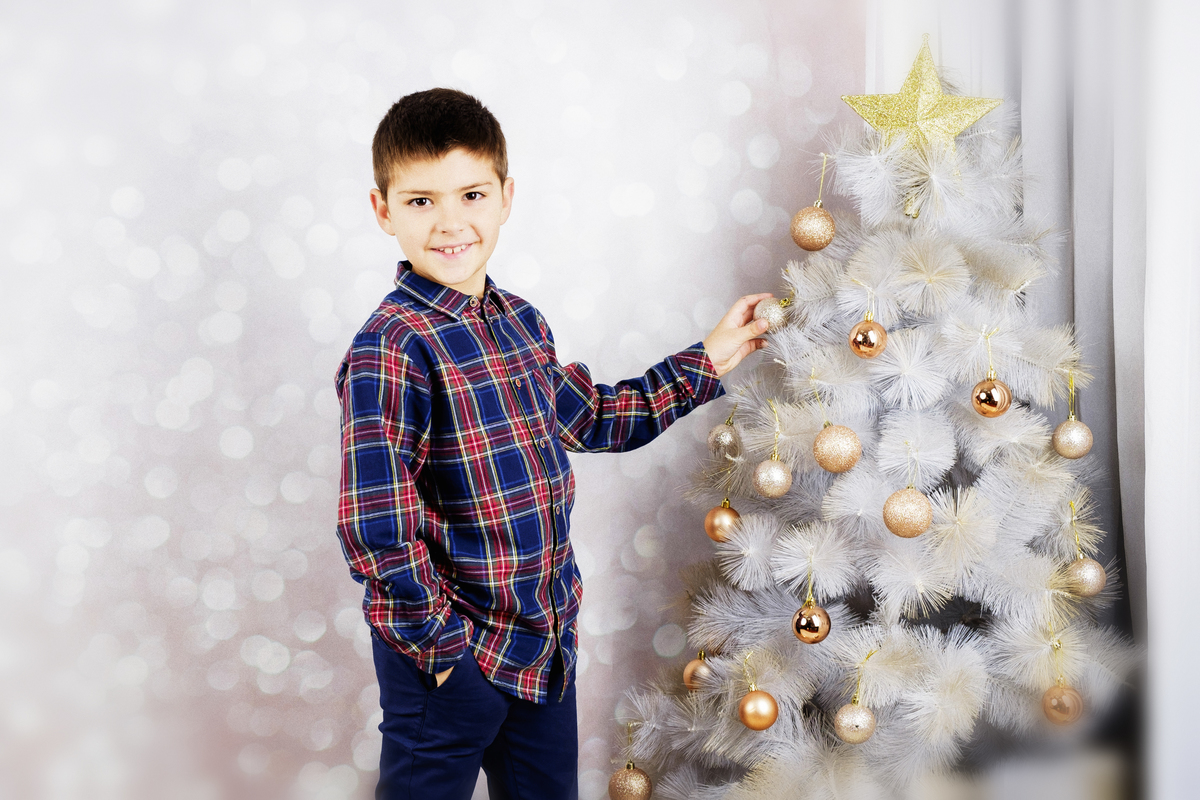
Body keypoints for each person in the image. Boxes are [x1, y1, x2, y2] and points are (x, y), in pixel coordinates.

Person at [335, 87, 771, 800]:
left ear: (506, 197)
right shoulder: (391, 347)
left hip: (541, 649)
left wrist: (711, 357)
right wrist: (446, 657)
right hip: (450, 664)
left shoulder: (522, 324)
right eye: (421, 202)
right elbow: (377, 530)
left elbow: (596, 417)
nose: (450, 222)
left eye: (471, 195)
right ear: (383, 210)